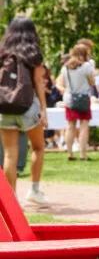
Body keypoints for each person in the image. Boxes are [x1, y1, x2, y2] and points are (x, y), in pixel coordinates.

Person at [0, 17, 48, 204]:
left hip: (5, 107)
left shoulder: (3, 53)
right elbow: (38, 82)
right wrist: (43, 109)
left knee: (10, 154)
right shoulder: (33, 53)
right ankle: (34, 190)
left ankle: (12, 200)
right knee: (38, 147)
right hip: (27, 107)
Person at [56, 44, 95, 161]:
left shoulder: (65, 67)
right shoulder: (87, 66)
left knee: (70, 126)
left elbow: (61, 83)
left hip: (69, 99)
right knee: (84, 126)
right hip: (83, 98)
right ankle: (83, 154)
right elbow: (92, 82)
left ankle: (70, 153)